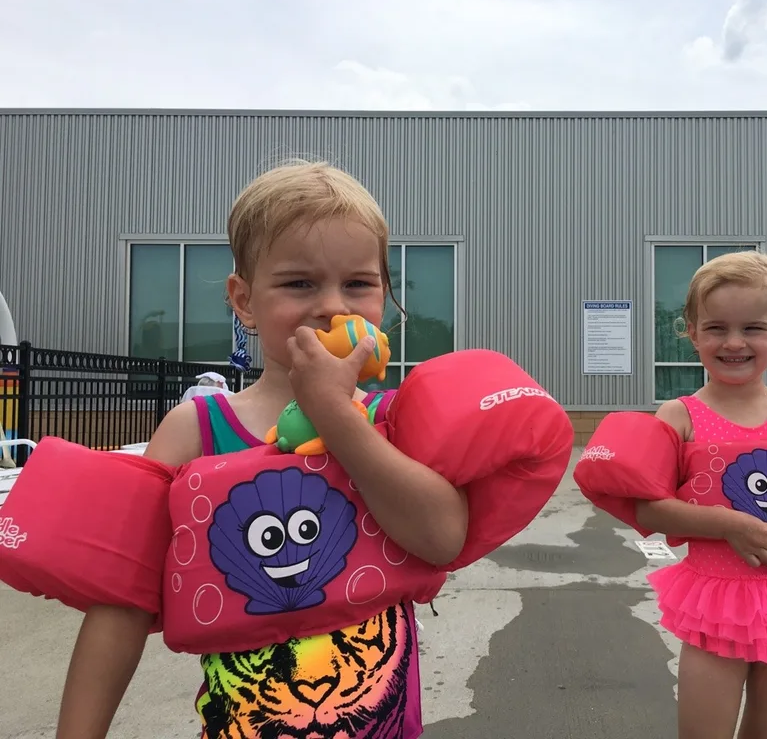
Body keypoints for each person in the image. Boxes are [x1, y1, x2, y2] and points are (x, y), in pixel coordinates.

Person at [45, 159, 568, 738]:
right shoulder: (197, 428)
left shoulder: (392, 420)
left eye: (359, 284)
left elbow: (441, 538)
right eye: (299, 283)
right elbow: (122, 602)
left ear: (384, 296)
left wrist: (337, 419)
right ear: (244, 301)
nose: (332, 305)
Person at [579, 250, 767, 739]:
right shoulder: (677, 417)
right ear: (691, 332)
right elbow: (647, 505)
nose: (734, 342)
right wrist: (728, 524)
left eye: (754, 328)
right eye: (716, 328)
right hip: (715, 607)